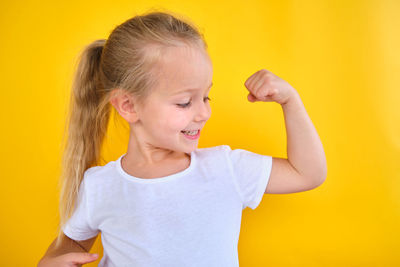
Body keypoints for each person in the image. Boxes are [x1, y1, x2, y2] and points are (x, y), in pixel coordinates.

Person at [38, 9, 327, 267]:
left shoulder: (226, 169)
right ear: (128, 106)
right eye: (185, 102)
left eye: (206, 96)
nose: (203, 113)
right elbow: (71, 245)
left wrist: (291, 102)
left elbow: (307, 173)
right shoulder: (101, 186)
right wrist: (50, 261)